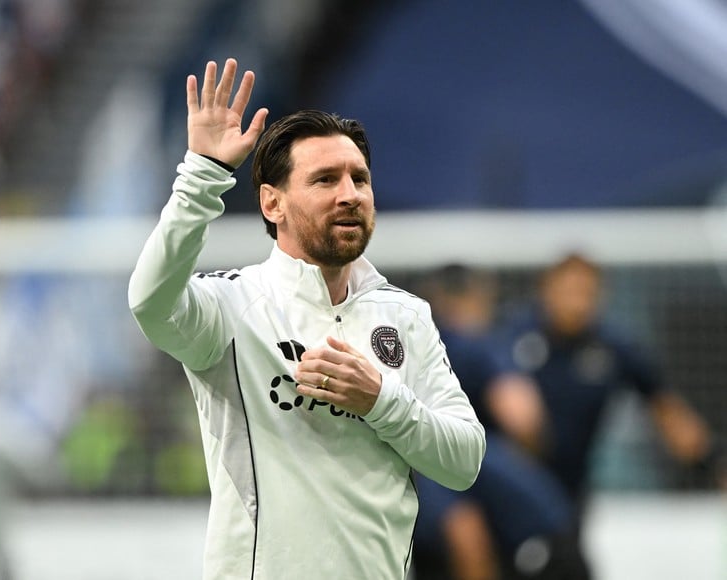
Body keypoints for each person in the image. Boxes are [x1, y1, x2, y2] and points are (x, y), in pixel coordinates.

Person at [127, 58, 485, 579]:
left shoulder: (405, 316)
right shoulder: (232, 307)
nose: (350, 194)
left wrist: (381, 400)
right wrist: (202, 176)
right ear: (273, 204)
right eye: (325, 179)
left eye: (359, 178)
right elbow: (150, 301)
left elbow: (464, 463)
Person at [503, 253, 726, 507]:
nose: (577, 303)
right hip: (512, 482)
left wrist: (713, 461)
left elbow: (666, 411)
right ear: (546, 290)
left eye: (586, 293)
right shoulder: (512, 336)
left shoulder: (613, 348)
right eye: (569, 291)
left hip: (572, 487)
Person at [412, 265, 589, 580]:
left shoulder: (435, 454)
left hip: (539, 552)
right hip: (551, 527)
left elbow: (466, 537)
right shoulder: (479, 346)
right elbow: (525, 420)